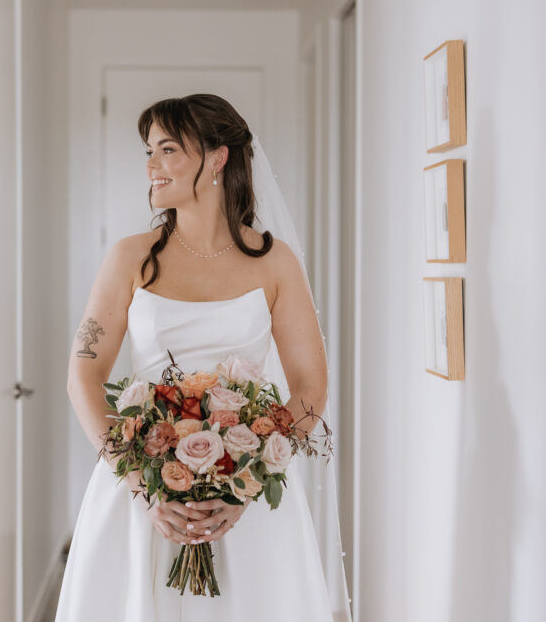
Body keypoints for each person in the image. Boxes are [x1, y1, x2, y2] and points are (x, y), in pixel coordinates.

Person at [58, 94, 351, 621]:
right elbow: (84, 372)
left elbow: (310, 383)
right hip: (143, 496)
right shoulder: (130, 257)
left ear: (217, 158)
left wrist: (249, 480)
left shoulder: (275, 262)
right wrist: (139, 482)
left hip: (248, 505)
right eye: (149, 151)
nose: (150, 166)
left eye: (167, 150)